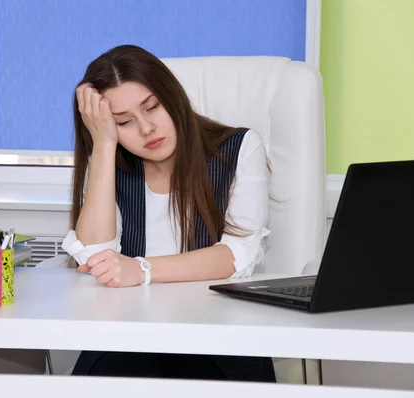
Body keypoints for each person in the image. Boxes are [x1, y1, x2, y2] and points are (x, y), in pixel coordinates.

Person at [61, 44, 275, 382]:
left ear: (172, 96)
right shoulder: (109, 164)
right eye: (124, 121)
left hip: (214, 337)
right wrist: (102, 146)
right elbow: (94, 257)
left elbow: (239, 253)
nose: (146, 129)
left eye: (153, 107)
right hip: (128, 338)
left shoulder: (238, 149)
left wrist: (141, 269)